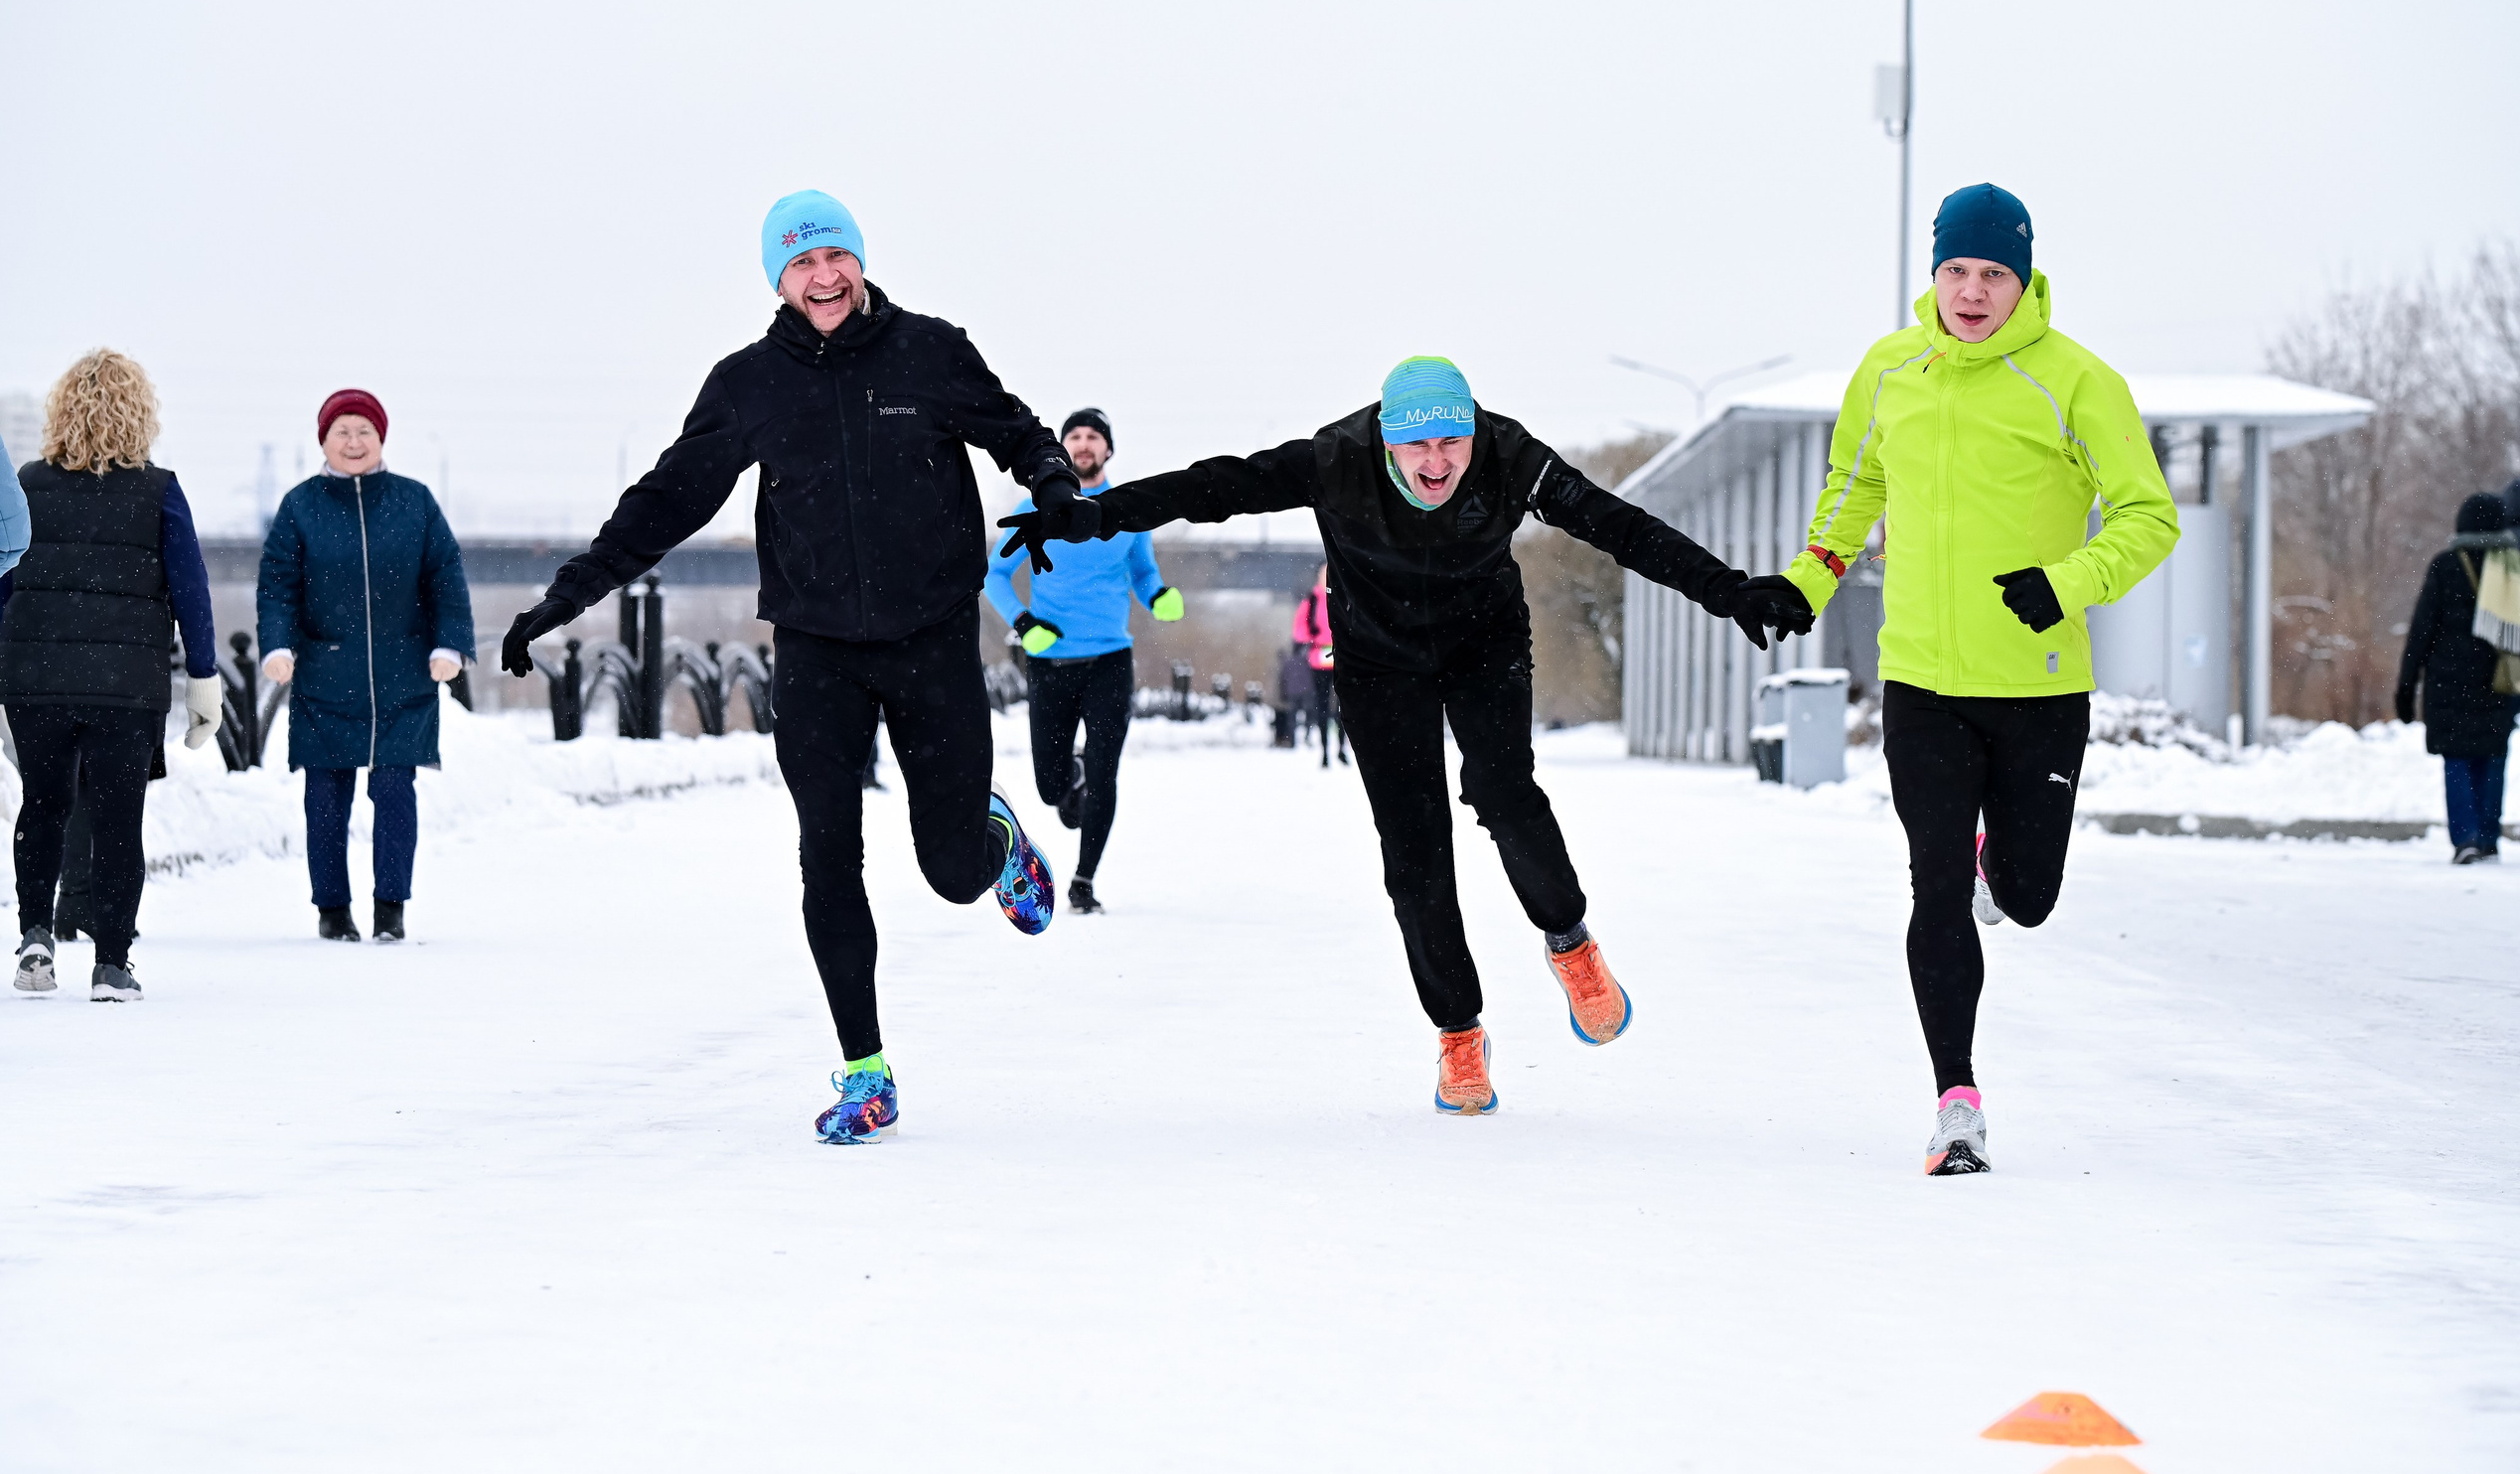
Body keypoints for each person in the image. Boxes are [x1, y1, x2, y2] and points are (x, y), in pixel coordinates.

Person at [1000, 355, 1810, 1114]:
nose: (1436, 461)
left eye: (1451, 440)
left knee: (1502, 789)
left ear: (1473, 432)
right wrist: (1098, 513)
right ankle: (1459, 1032)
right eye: (1417, 443)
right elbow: (1219, 486)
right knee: (1413, 844)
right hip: (1377, 659)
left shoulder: (1508, 455)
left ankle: (1570, 942)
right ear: (1386, 438)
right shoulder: (1337, 456)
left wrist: (1727, 590)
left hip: (1483, 642)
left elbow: (1615, 525)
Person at [497, 190, 1077, 1145]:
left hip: (930, 639)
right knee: (826, 856)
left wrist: (1051, 482)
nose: (823, 277)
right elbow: (662, 503)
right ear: (778, 279)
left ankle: (993, 841)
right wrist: (567, 595)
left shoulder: (930, 351)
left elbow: (1016, 431)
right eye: (801, 263)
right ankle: (865, 1071)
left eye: (834, 257)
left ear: (859, 261)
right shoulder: (748, 384)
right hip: (815, 650)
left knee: (949, 874)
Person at [1765, 184, 2178, 1176]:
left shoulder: (2076, 382)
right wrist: (1809, 578)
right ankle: (1956, 1102)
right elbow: (1854, 481)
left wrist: (2065, 583)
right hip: (1919, 679)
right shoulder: (1890, 368)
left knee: (2024, 898)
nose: (1972, 291)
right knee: (1934, 884)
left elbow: (2146, 513)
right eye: (1956, 269)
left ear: (2024, 278)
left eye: (1993, 273)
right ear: (1934, 272)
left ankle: (2007, 865)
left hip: (2037, 686)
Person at [0, 351, 221, 1001]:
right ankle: (111, 965)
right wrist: (203, 676)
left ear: (60, 410)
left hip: (37, 679)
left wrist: (19, 644)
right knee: (120, 820)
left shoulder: (28, 483)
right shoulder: (158, 489)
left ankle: (36, 934)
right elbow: (191, 591)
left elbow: (0, 582)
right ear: (140, 413)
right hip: (126, 683)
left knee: (42, 805)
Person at [257, 390, 475, 945]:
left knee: (396, 793)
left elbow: (445, 577)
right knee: (326, 798)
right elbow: (278, 586)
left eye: (364, 432)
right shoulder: (300, 507)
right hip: (325, 674)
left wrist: (449, 646)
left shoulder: (414, 502)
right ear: (324, 439)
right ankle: (332, 909)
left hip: (404, 677)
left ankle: (390, 907)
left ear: (381, 439)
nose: (353, 443)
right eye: (342, 432)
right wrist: (277, 647)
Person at [982, 408, 1179, 915]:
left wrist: (1156, 595)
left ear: (1108, 450)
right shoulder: (1035, 508)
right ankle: (1070, 781)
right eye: (1075, 436)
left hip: (1110, 659)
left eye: (1094, 436)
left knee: (1105, 768)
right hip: (1050, 662)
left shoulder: (1126, 511)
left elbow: (1142, 571)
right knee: (1050, 789)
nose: (1084, 443)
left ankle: (1083, 880)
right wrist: (1025, 625)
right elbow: (994, 576)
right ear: (1064, 449)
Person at [2395, 493, 2519, 864]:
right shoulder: (2513, 568)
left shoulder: (2446, 566)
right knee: (2493, 757)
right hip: (2499, 682)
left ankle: (2465, 837)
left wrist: (2407, 684)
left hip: (2449, 683)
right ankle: (2488, 836)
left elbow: (2422, 629)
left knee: (2458, 759)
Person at [1291, 564, 1348, 767]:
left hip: (1337, 658)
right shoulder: (1314, 600)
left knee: (1339, 707)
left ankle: (1338, 749)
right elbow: (1299, 628)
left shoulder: (1338, 596)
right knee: (1329, 707)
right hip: (1325, 659)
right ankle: (1328, 751)